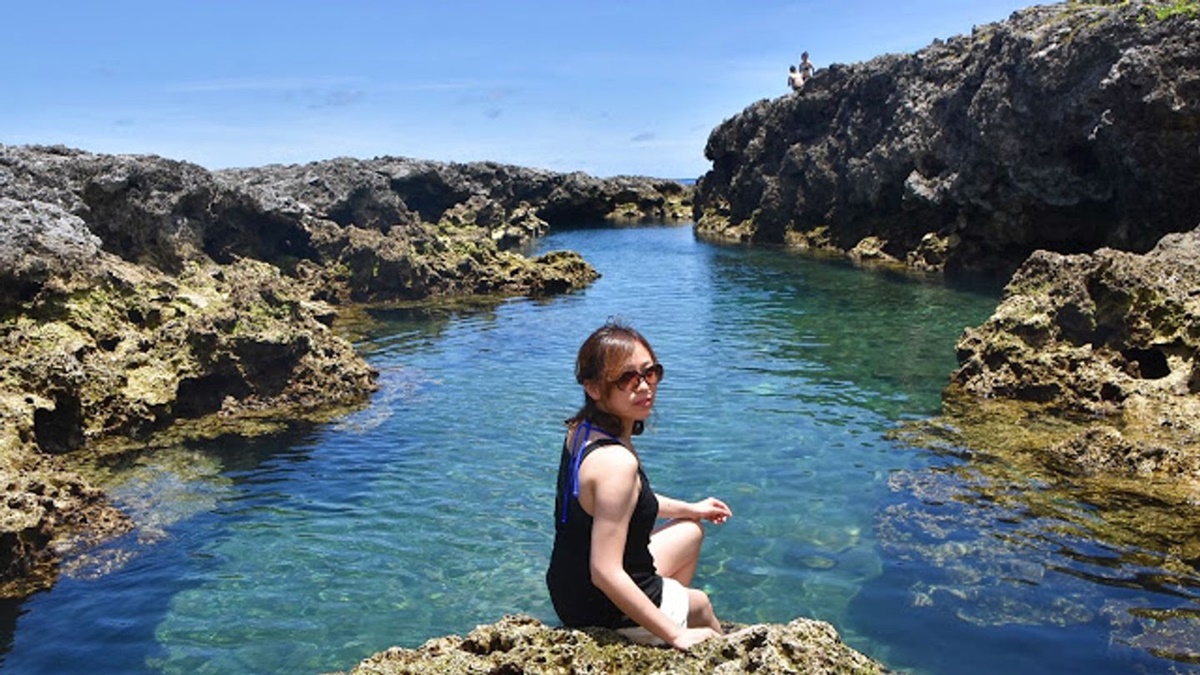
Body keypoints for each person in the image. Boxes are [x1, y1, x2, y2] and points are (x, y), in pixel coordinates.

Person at [546, 321, 733, 650]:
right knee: (700, 603)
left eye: (650, 373)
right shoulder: (616, 463)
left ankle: (654, 621)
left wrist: (693, 509)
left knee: (690, 530)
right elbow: (604, 571)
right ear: (593, 387)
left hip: (568, 589)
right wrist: (677, 635)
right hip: (598, 604)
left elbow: (621, 503)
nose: (644, 386)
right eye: (627, 378)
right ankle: (659, 633)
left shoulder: (581, 429)